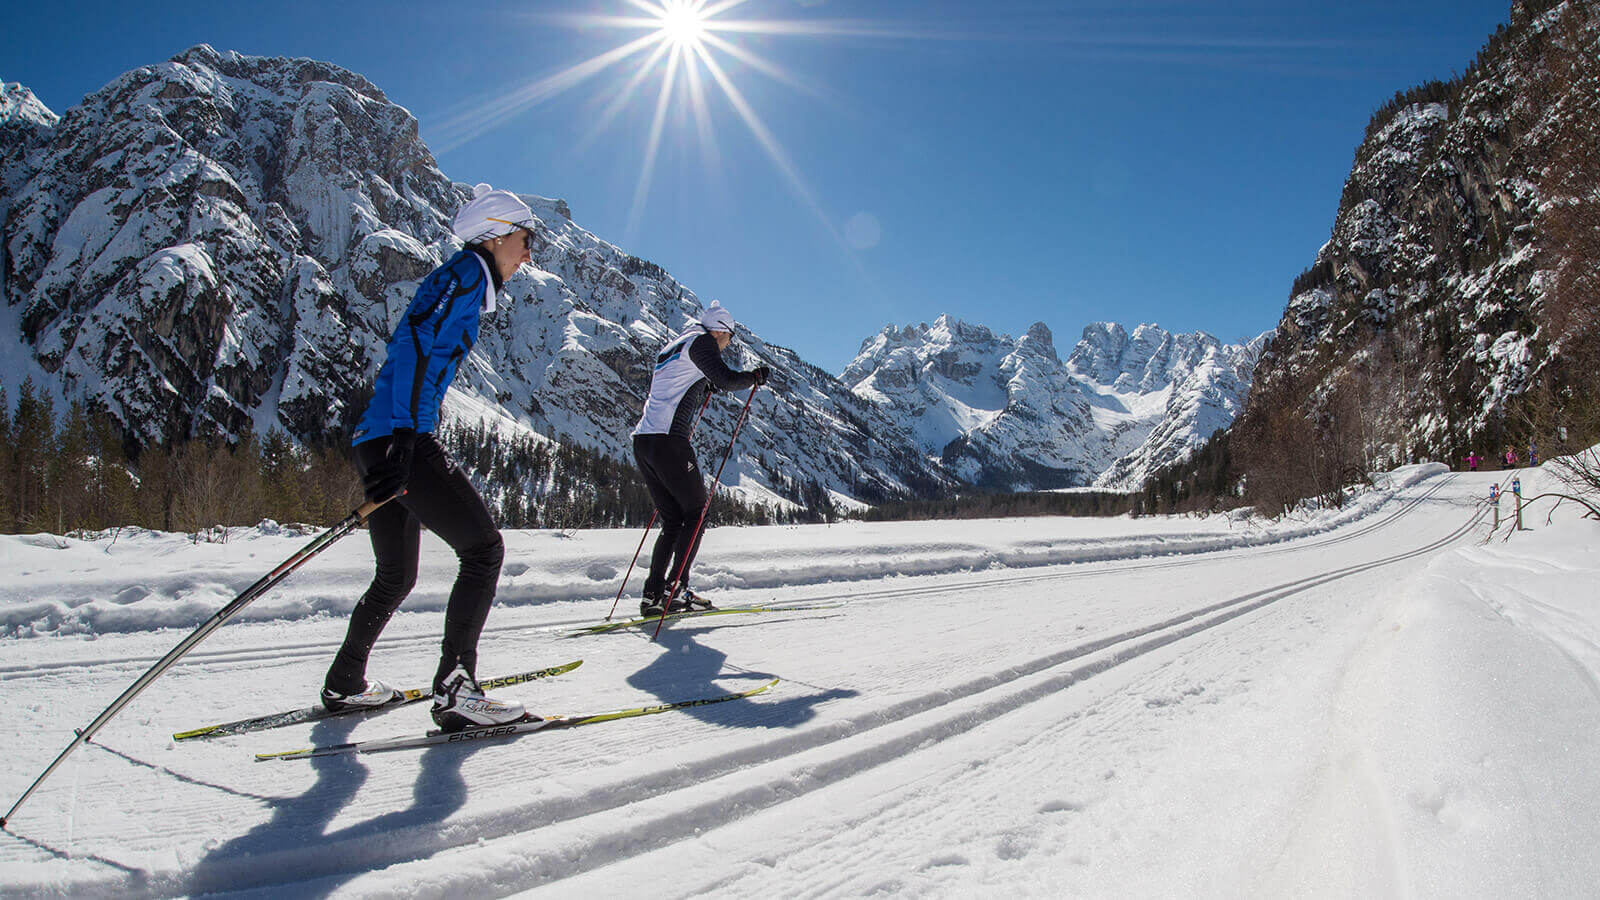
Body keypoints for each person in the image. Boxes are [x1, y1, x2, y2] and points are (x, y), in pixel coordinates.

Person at [321, 184, 536, 732]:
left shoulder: (466, 278)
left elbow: (415, 343)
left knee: (395, 575)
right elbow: (413, 340)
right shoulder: (465, 274)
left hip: (380, 437)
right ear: (496, 235)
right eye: (525, 239)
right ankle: (457, 689)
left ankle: (345, 684)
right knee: (484, 550)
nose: (528, 254)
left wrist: (392, 438)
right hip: (400, 438)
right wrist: (406, 437)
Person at [632, 301, 770, 617]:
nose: (728, 343)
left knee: (672, 521)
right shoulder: (703, 341)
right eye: (729, 337)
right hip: (669, 442)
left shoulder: (676, 345)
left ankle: (654, 595)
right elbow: (725, 378)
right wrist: (754, 377)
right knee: (697, 513)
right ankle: (675, 588)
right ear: (721, 330)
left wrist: (702, 384)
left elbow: (684, 381)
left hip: (643, 443)